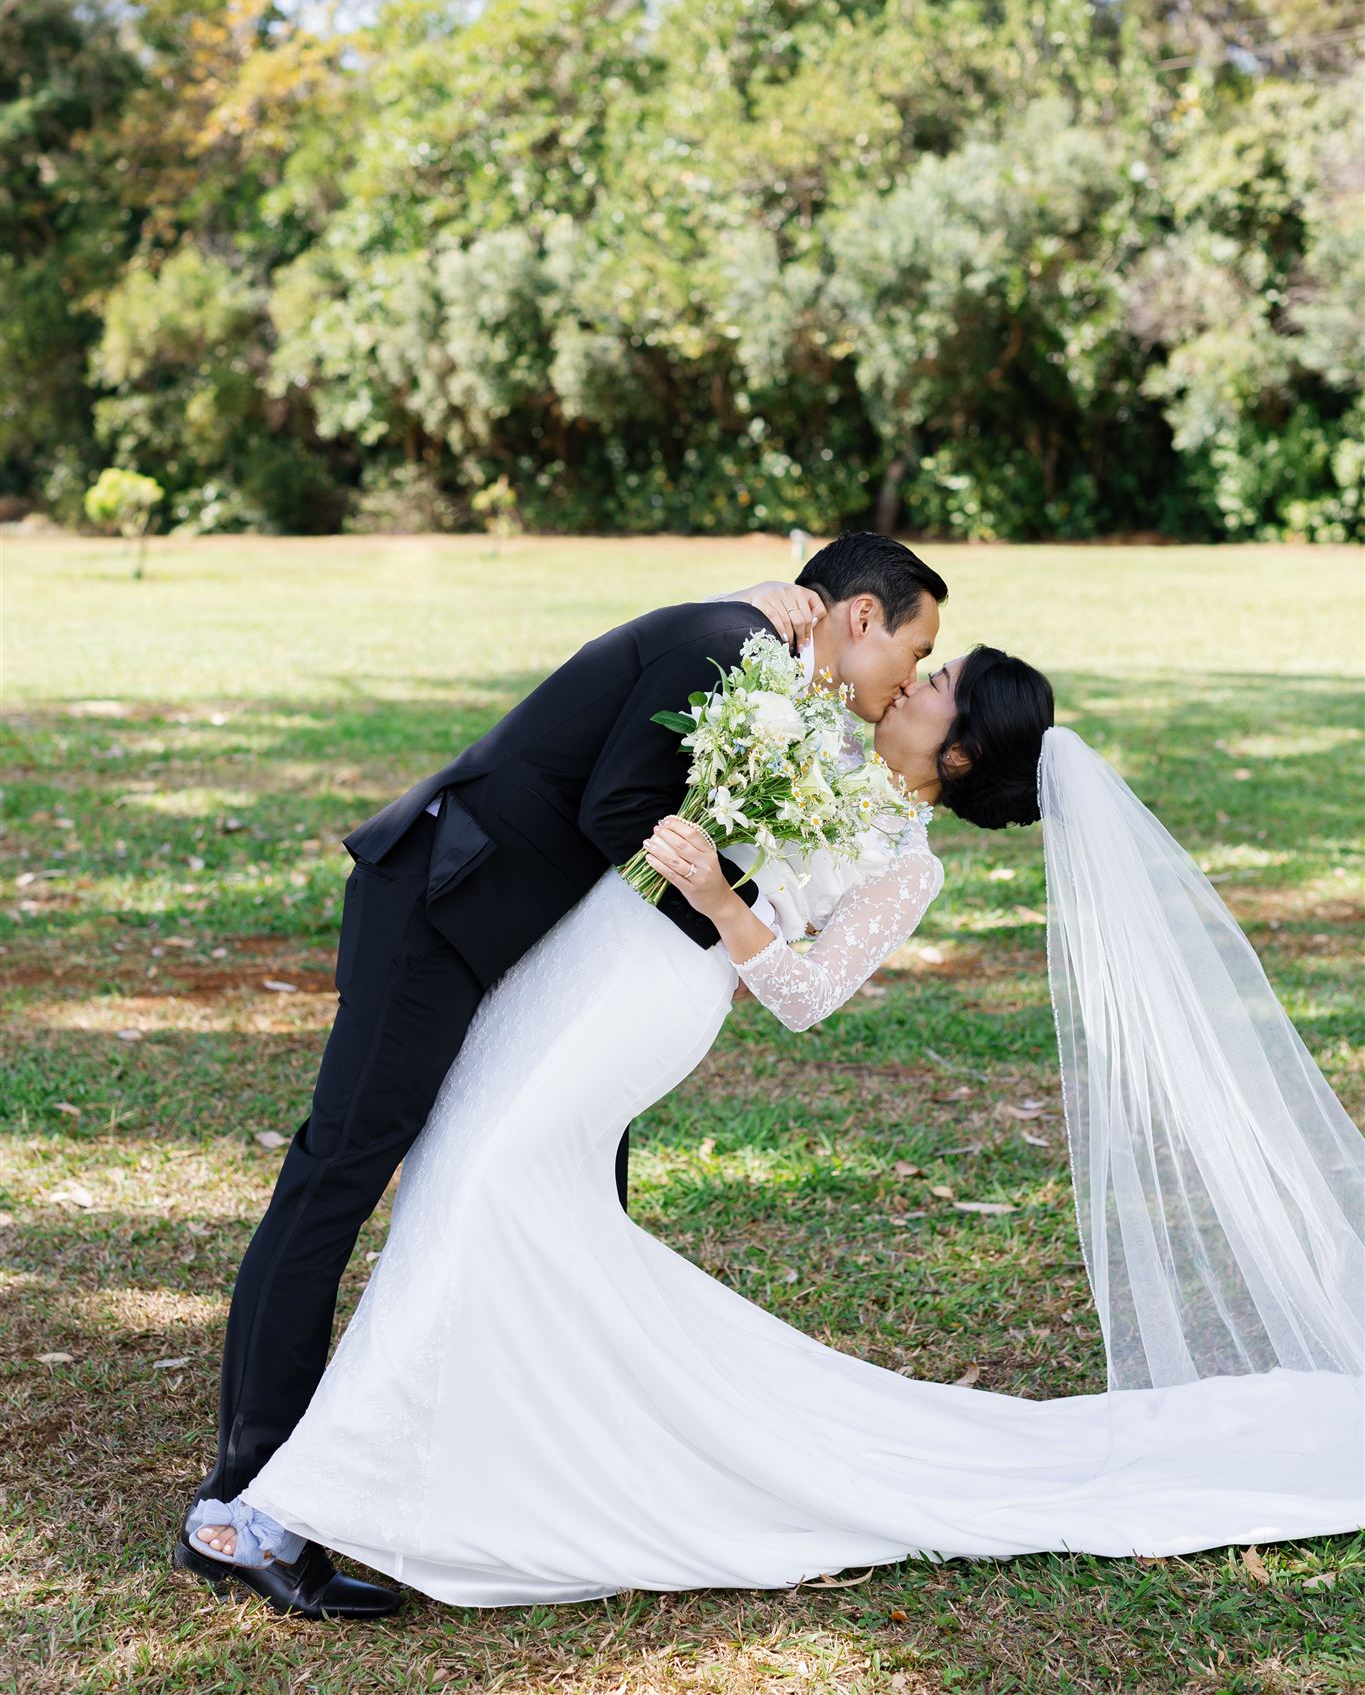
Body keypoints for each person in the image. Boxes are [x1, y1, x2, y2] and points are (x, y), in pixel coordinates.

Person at [182, 634, 1364, 1609]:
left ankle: (294, 1504)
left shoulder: (908, 865)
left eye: (939, 683)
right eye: (927, 660)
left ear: (955, 754)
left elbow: (802, 994)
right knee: (462, 1180)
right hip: (576, 964)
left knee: (486, 1185)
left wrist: (718, 895)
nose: (916, 674)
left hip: (647, 1001)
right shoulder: (819, 731)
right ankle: (426, 1458)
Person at [178, 534, 948, 1615]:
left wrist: (727, 931)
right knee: (337, 1175)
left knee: (566, 1201)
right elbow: (615, 811)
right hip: (442, 907)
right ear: (861, 616)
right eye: (914, 648)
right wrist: (732, 923)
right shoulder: (729, 643)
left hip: (543, 958)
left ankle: (526, 1458)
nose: (908, 678)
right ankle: (240, 1500)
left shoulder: (765, 659)